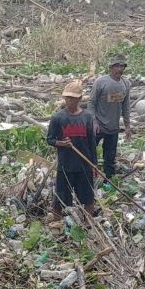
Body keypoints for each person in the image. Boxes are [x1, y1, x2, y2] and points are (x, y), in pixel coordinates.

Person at [47, 80, 98, 219]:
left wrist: (95, 164)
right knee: (61, 196)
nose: (69, 101)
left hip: (84, 164)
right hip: (66, 165)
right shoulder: (58, 118)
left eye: (73, 98)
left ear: (80, 99)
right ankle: (57, 221)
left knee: (87, 196)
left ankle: (88, 221)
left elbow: (92, 142)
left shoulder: (87, 117)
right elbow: (50, 140)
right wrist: (62, 143)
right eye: (67, 98)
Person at [88, 54, 132, 179]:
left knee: (110, 157)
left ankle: (109, 181)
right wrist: (94, 122)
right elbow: (91, 103)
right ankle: (91, 177)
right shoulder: (101, 82)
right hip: (98, 126)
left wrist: (127, 126)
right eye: (117, 66)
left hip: (113, 128)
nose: (120, 69)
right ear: (111, 68)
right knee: (90, 153)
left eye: (122, 66)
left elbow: (126, 106)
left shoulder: (126, 84)